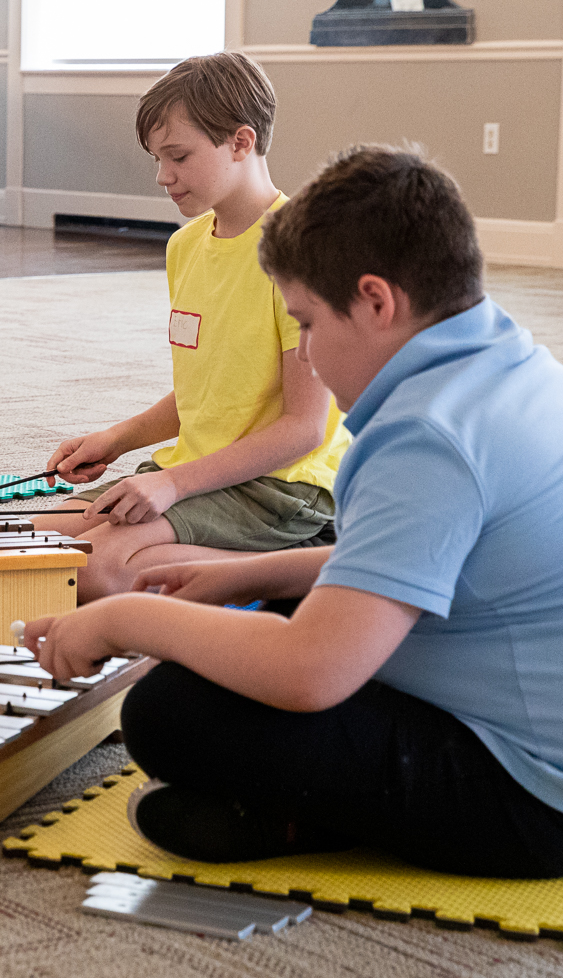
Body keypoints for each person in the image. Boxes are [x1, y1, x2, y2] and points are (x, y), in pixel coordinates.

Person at [23, 145, 563, 880]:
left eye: (308, 324)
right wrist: (249, 574)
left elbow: (310, 675)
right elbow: (443, 557)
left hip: (553, 806)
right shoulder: (491, 365)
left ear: (376, 301)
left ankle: (306, 817)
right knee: (263, 619)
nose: (307, 355)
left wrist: (118, 620)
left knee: (172, 712)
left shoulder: (426, 438)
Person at [32, 53, 349, 601]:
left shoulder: (303, 252)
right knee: (28, 546)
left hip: (282, 488)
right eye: (157, 158)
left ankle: (307, 563)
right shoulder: (185, 246)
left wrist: (173, 483)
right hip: (200, 468)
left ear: (241, 142)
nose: (163, 177)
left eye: (177, 156)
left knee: (91, 574)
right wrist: (117, 438)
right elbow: (209, 392)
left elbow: (303, 428)